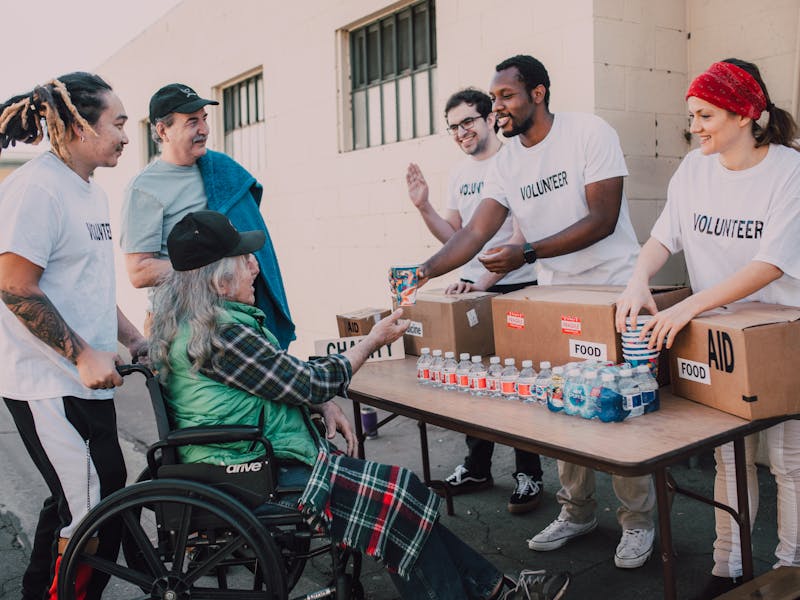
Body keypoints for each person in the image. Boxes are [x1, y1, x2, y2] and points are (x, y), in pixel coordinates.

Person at [148, 209, 571, 600]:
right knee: (397, 500)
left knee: (402, 497)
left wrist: (319, 402)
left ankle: (494, 590)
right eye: (244, 261)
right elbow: (306, 381)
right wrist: (369, 343)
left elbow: (280, 381)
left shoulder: (196, 324)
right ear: (219, 281)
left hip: (245, 460)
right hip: (252, 474)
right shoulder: (221, 335)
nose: (256, 266)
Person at [415, 55, 656, 569]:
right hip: (555, 296)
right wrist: (425, 270)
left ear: (538, 94)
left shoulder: (589, 133)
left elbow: (604, 218)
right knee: (565, 406)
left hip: (612, 289)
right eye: (494, 97)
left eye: (506, 96)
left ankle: (638, 524)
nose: (496, 107)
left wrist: (528, 253)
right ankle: (576, 512)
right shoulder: (506, 163)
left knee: (618, 411)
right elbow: (475, 233)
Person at [615, 58, 800, 599]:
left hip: (780, 331)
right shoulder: (694, 170)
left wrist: (689, 306)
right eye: (693, 114)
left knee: (787, 460)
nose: (695, 126)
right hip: (719, 331)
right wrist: (637, 280)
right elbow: (662, 237)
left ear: (746, 115)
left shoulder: (789, 170)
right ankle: (729, 567)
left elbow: (771, 264)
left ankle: (789, 571)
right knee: (729, 454)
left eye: (706, 115)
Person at [0, 73, 147, 600]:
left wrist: (132, 337)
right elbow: (15, 288)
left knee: (91, 497)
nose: (127, 137)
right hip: (46, 382)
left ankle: (41, 590)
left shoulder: (89, 191)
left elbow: (84, 284)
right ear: (79, 125)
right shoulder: (35, 189)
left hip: (86, 380)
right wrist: (84, 353)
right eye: (118, 124)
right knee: (89, 506)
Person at [406, 88, 542, 513]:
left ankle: (529, 473)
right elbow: (456, 238)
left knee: (519, 385)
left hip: (515, 288)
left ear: (489, 119)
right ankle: (477, 466)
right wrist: (424, 206)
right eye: (453, 126)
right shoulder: (460, 175)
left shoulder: (515, 162)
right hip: (473, 291)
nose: (461, 132)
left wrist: (482, 280)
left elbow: (521, 235)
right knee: (472, 382)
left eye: (468, 121)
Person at [120, 83, 294, 348]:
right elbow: (139, 272)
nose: (204, 129)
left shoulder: (220, 170)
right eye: (192, 121)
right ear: (162, 130)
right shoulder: (144, 188)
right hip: (179, 324)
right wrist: (214, 265)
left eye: (204, 119)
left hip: (234, 318)